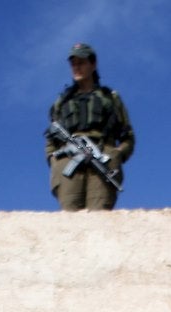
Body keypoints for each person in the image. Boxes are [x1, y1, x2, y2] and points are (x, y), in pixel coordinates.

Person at [47, 43, 135, 211]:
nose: (76, 67)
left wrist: (117, 153)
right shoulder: (63, 102)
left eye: (81, 62)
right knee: (69, 219)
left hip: (102, 156)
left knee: (98, 217)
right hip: (68, 162)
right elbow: (51, 139)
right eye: (73, 64)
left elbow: (128, 135)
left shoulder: (110, 98)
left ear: (93, 65)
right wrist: (53, 159)